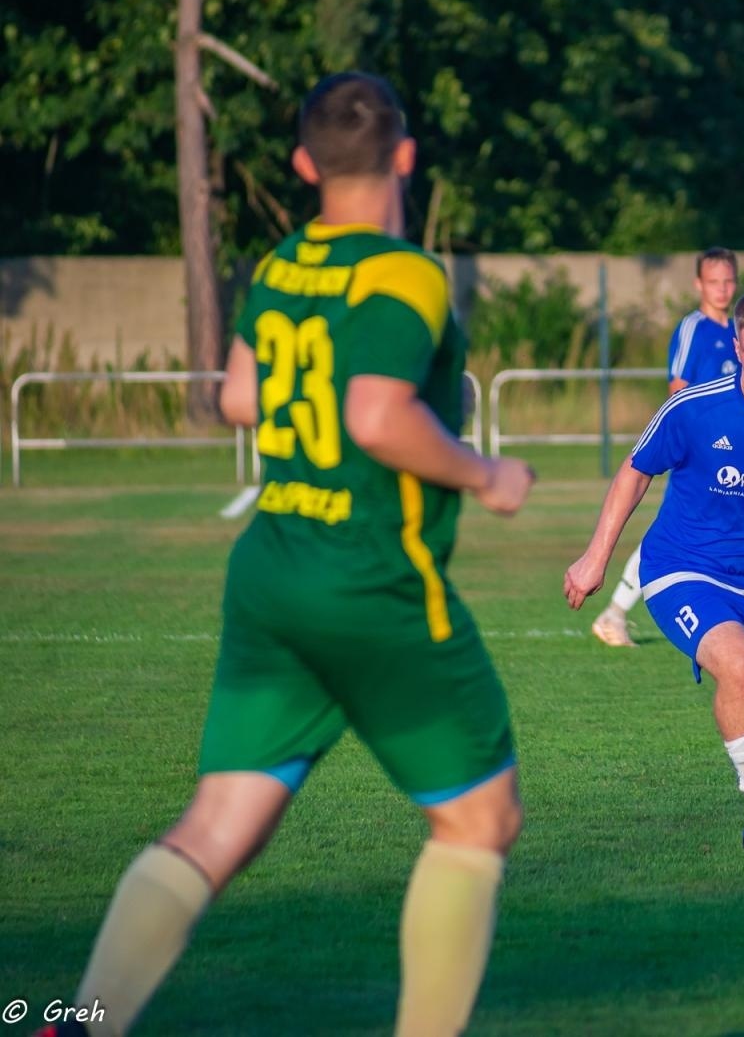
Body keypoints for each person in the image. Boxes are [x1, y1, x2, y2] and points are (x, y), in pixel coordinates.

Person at [39, 73, 534, 1037]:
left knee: (215, 826)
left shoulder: (280, 262)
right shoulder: (405, 274)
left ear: (305, 165)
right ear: (406, 157)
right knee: (479, 823)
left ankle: (77, 1021)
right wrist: (483, 474)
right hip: (371, 583)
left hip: (272, 576)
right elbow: (376, 414)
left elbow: (236, 396)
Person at [564, 286, 744, 848]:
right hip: (680, 567)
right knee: (738, 662)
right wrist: (595, 556)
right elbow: (634, 472)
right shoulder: (694, 408)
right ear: (737, 349)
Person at [590, 246, 740, 647]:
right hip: (702, 448)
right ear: (698, 285)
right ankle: (615, 612)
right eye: (714, 281)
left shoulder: (738, 332)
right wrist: (702, 439)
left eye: (728, 280)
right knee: (677, 530)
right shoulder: (694, 328)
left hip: (732, 450)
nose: (722, 289)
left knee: (738, 525)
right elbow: (678, 388)